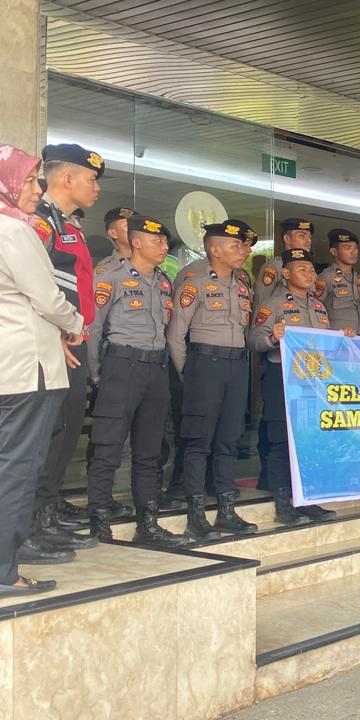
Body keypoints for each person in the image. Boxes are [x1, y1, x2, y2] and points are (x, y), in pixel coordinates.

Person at [0, 144, 86, 589]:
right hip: (25, 369)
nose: (37, 189)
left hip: (6, 367)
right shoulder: (14, 232)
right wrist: (75, 325)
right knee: (17, 466)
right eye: (32, 180)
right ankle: (4, 570)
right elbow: (48, 297)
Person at [83, 215, 188, 548]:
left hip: (156, 369)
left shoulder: (163, 282)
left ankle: (148, 521)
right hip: (121, 364)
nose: (164, 247)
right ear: (137, 241)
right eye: (156, 241)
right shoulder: (110, 277)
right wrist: (98, 374)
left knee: (149, 451)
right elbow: (93, 330)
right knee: (108, 447)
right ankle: (99, 521)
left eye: (166, 242)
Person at [34, 143, 115, 545]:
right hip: (52, 341)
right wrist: (54, 336)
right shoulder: (39, 221)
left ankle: (47, 508)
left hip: (73, 338)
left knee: (65, 430)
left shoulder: (67, 224)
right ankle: (33, 520)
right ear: (67, 178)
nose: (96, 188)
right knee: (48, 431)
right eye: (91, 179)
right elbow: (33, 287)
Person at [167, 220, 259, 540]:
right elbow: (177, 334)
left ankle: (225, 509)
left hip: (237, 365)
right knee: (198, 440)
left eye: (243, 246)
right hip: (204, 363)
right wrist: (187, 374)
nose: (244, 251)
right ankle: (195, 512)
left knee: (229, 439)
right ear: (214, 249)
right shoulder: (193, 278)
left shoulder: (242, 281)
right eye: (235, 246)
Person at [251, 249, 342, 526]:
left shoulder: (318, 307)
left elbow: (325, 343)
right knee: (280, 441)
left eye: (312, 270)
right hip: (282, 377)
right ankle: (283, 503)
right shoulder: (274, 305)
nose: (310, 274)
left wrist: (343, 339)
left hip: (311, 381)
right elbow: (254, 340)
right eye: (302, 269)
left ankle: (306, 499)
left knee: (308, 441)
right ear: (286, 274)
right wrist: (273, 338)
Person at [317, 228, 360, 336]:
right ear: (334, 251)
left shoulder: (359, 279)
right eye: (347, 248)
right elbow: (316, 309)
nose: (353, 252)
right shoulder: (326, 277)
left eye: (355, 248)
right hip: (338, 336)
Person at [254, 217, 313, 306]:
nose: (308, 241)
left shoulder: (310, 269)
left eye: (309, 237)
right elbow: (261, 302)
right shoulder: (275, 266)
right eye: (302, 236)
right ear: (287, 239)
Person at [93, 206, 134, 273]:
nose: (135, 230)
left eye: (136, 226)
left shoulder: (153, 260)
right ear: (113, 233)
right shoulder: (106, 269)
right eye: (127, 226)